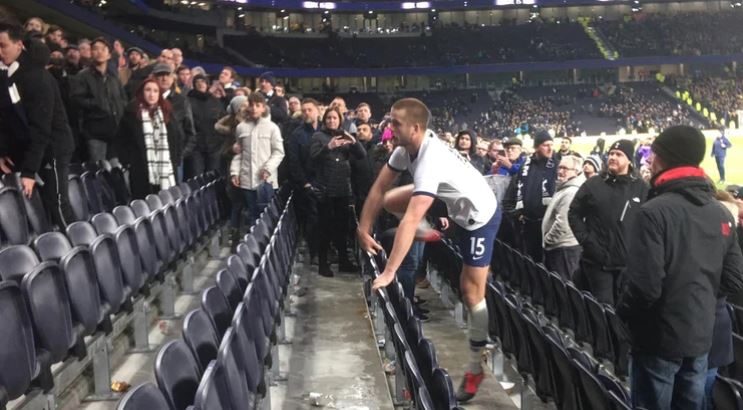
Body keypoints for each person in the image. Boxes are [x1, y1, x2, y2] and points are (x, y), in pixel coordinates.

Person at [357, 98, 499, 403]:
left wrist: (389, 272)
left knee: (471, 291)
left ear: (415, 127)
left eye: (395, 123)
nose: (389, 127)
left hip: (479, 216)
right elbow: (377, 190)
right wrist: (363, 229)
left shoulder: (429, 160)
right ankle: (426, 227)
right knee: (391, 199)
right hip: (452, 199)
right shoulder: (404, 149)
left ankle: (477, 364)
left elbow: (407, 219)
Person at [617, 125, 743, 410]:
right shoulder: (720, 211)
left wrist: (623, 313)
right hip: (701, 335)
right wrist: (695, 298)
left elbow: (644, 287)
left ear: (665, 158)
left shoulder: (653, 212)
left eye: (654, 154)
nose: (648, 160)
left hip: (657, 339)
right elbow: (734, 278)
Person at [0, 25, 75, 228]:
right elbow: (7, 119)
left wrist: (28, 171)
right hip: (35, 148)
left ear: (19, 45)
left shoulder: (35, 76)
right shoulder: (9, 75)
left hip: (53, 147)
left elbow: (40, 128)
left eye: (2, 46)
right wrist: (4, 151)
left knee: (57, 203)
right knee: (43, 206)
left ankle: (82, 253)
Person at [569, 139, 649, 304]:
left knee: (623, 311)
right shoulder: (593, 184)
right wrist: (587, 241)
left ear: (629, 160)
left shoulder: (641, 188)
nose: (613, 157)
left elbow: (648, 223)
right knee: (604, 310)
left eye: (619, 154)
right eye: (611, 153)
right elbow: (574, 213)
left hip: (627, 266)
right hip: (598, 263)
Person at [311, 106, 365, 277]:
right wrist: (328, 147)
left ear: (340, 120)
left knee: (342, 228)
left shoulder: (345, 136)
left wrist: (354, 142)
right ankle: (323, 264)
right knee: (324, 228)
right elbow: (312, 159)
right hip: (325, 189)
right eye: (329, 118)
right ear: (324, 120)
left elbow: (362, 155)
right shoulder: (318, 136)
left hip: (343, 188)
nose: (332, 121)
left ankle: (344, 261)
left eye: (335, 118)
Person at [229, 93, 284, 249]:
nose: (254, 108)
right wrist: (234, 172)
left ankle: (265, 248)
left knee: (266, 218)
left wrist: (268, 168)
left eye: (258, 105)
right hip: (247, 180)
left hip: (266, 181)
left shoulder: (272, 128)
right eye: (251, 105)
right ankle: (252, 249)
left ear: (263, 107)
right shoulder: (241, 128)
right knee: (251, 216)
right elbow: (239, 154)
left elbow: (279, 152)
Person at [114, 77, 177, 199]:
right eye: (148, 90)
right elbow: (120, 140)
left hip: (164, 169)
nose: (151, 94)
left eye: (155, 91)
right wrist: (128, 161)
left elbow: (176, 139)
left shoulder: (166, 113)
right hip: (139, 169)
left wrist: (174, 161)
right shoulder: (131, 113)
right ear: (142, 92)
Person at [503, 130, 557, 263]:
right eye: (545, 145)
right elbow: (512, 194)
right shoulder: (525, 166)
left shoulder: (558, 166)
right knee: (529, 265)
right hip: (526, 226)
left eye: (551, 144)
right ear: (536, 147)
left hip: (548, 227)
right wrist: (516, 215)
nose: (550, 148)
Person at [70, 37, 126, 162]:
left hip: (114, 130)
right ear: (91, 53)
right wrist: (98, 106)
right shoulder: (83, 76)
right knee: (98, 170)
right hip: (94, 131)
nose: (99, 52)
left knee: (116, 172)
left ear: (109, 54)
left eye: (103, 49)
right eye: (95, 49)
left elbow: (122, 99)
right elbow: (77, 100)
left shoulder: (114, 77)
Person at [287, 98, 323, 263]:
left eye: (310, 109)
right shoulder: (297, 134)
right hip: (307, 185)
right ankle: (314, 253)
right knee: (313, 220)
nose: (306, 113)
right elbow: (293, 163)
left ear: (317, 111)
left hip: (326, 183)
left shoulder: (326, 130)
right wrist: (305, 183)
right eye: (304, 110)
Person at [542, 155, 584, 280]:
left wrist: (548, 240)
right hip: (560, 248)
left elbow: (563, 224)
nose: (560, 171)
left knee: (564, 289)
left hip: (564, 249)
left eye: (565, 168)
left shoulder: (571, 192)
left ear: (576, 171)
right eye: (560, 167)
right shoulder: (564, 188)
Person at [154, 63, 196, 182]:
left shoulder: (181, 101)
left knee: (173, 196)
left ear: (173, 78)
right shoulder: (146, 100)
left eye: (167, 75)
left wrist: (180, 154)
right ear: (154, 78)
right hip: (151, 158)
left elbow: (190, 132)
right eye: (160, 75)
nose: (164, 78)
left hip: (174, 158)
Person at [186, 74, 225, 178]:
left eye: (203, 81)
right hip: (196, 147)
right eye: (197, 82)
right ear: (194, 85)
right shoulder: (188, 100)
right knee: (196, 178)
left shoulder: (215, 101)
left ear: (207, 84)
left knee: (212, 178)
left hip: (214, 146)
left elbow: (223, 120)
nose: (200, 84)